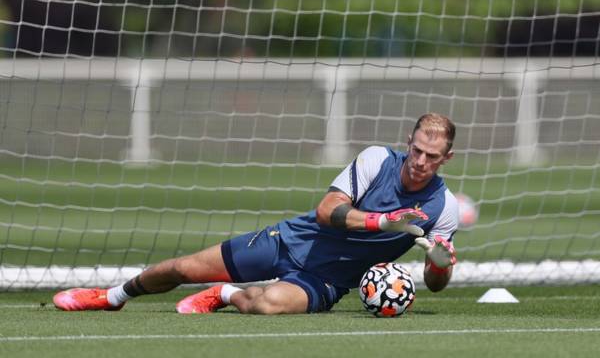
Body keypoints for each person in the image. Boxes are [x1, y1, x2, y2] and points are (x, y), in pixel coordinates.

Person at [53, 112, 458, 314]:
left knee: (267, 306)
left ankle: (223, 294)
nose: (420, 161)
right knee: (184, 267)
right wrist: (382, 222)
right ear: (409, 141)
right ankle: (111, 296)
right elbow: (327, 210)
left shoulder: (445, 208)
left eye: (432, 156)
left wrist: (439, 264)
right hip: (292, 240)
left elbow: (436, 283)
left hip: (330, 280)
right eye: (417, 150)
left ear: (446, 159)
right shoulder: (376, 160)